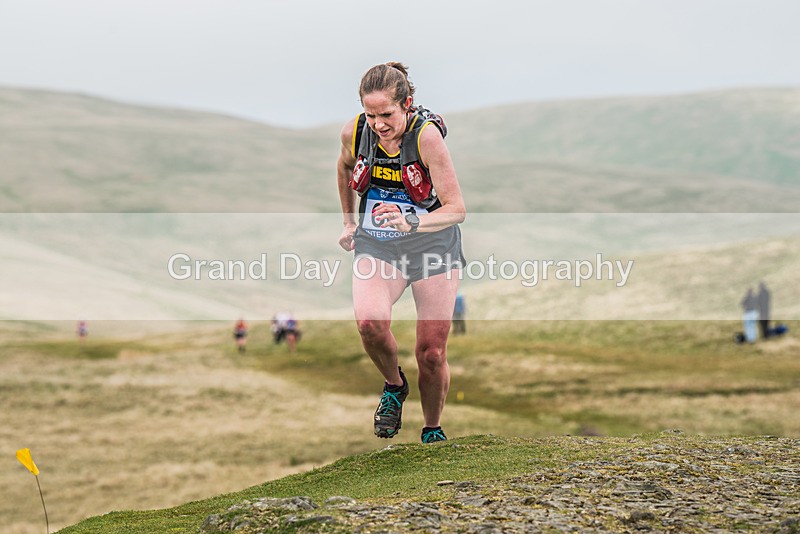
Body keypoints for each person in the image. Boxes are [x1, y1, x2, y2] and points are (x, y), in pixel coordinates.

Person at [336, 62, 466, 444]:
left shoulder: (426, 139)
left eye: (387, 114)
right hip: (378, 244)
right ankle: (394, 386)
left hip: (432, 245)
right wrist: (348, 223)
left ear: (407, 104)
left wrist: (412, 221)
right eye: (371, 114)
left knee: (431, 353)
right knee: (369, 323)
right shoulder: (355, 131)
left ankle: (432, 429)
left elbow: (457, 208)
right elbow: (343, 168)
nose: (378, 124)